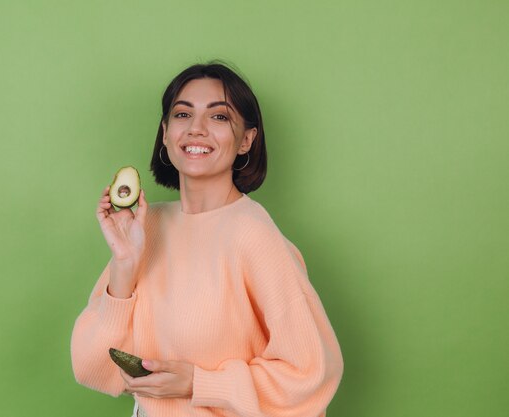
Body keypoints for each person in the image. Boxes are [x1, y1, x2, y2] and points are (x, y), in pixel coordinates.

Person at [71, 62, 344, 417]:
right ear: (166, 133)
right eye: (183, 114)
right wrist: (125, 265)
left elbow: (311, 375)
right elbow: (92, 367)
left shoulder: (253, 234)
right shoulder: (147, 225)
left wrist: (199, 383)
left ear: (246, 139)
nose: (196, 129)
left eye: (218, 118)